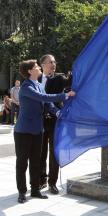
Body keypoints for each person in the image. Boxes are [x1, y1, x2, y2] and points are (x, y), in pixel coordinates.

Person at [14, 59, 75, 204]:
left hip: (37, 130)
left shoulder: (38, 85)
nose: (38, 68)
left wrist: (58, 113)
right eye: (36, 66)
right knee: (22, 163)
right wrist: (65, 95)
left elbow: (47, 104)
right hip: (23, 131)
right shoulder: (26, 87)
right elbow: (43, 97)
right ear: (30, 71)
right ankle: (22, 192)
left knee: (36, 161)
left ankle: (35, 190)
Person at [38, 54, 72, 194]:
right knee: (40, 152)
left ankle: (52, 182)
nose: (53, 64)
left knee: (54, 151)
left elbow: (70, 81)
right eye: (50, 62)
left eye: (54, 62)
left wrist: (79, 67)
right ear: (43, 65)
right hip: (39, 121)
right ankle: (41, 180)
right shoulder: (36, 79)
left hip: (55, 120)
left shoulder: (59, 78)